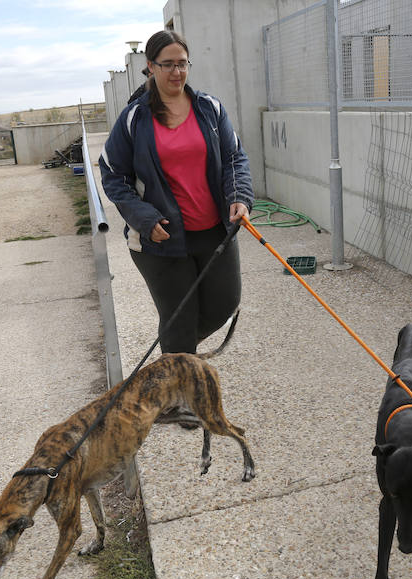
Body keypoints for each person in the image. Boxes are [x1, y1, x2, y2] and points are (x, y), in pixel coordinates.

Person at [99, 31, 253, 422]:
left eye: (182, 62)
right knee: (179, 317)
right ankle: (180, 399)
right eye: (167, 64)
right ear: (150, 67)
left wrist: (239, 197)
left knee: (224, 303)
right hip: (161, 240)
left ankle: (170, 364)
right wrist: (145, 219)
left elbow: (235, 158)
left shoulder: (209, 109)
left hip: (213, 230)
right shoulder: (135, 118)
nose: (176, 71)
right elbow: (113, 175)